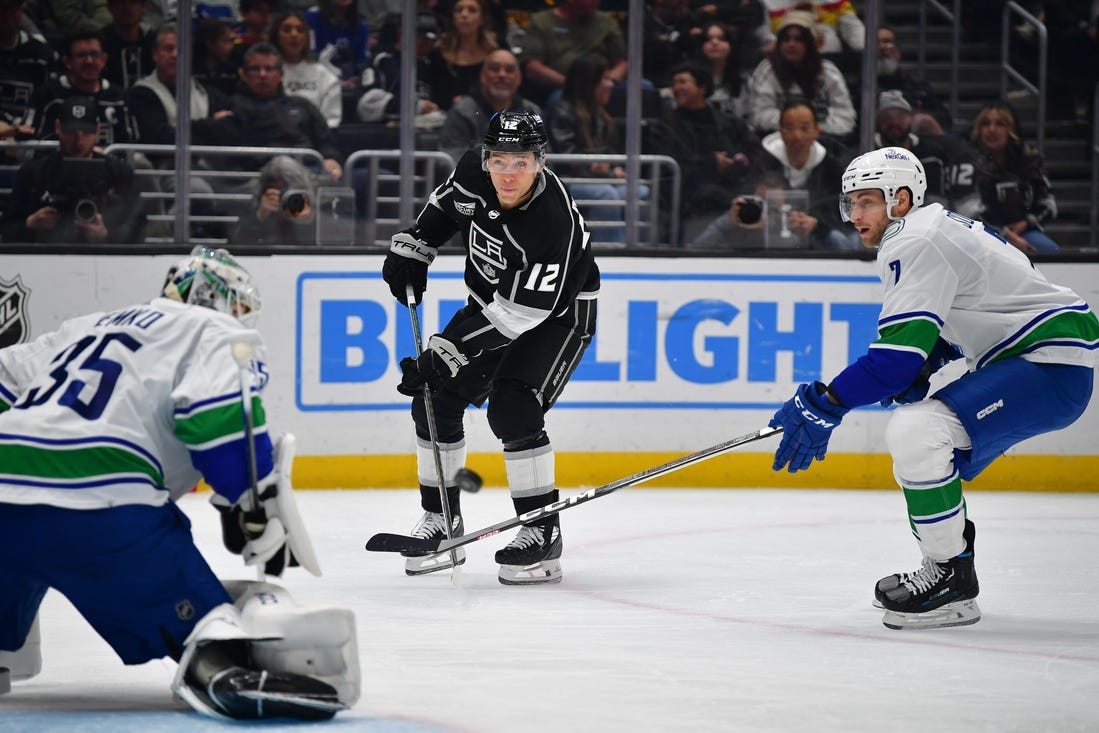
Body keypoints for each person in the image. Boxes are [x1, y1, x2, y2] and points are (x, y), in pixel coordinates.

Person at [0, 247, 361, 718]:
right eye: (238, 306)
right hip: (102, 507)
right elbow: (215, 419)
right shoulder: (216, 331)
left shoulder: (86, 325)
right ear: (216, 296)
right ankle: (217, 666)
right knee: (211, 625)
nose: (241, 317)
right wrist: (251, 501)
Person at [767, 146, 1099, 630]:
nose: (855, 214)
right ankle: (949, 567)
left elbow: (894, 363)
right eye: (850, 203)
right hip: (1042, 357)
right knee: (924, 435)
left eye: (866, 202)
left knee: (919, 432)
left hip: (1049, 361)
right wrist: (932, 359)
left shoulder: (914, 239)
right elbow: (976, 307)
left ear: (900, 199)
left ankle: (950, 581)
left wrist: (826, 402)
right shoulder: (934, 227)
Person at [381, 110, 598, 585]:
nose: (507, 173)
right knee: (434, 399)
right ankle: (442, 521)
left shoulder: (551, 221)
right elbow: (445, 209)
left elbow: (520, 315)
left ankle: (541, 533)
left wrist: (447, 350)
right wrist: (416, 246)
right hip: (491, 303)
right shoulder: (473, 173)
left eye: (520, 161)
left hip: (555, 318)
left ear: (540, 161)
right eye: (498, 159)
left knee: (514, 407)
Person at [691, 97, 852, 250]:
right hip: (762, 233)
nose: (797, 136)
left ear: (816, 131)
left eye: (804, 128)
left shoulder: (831, 167)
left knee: (838, 238)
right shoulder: (763, 161)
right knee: (725, 221)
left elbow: (842, 212)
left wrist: (816, 224)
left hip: (814, 238)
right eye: (790, 128)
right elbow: (745, 193)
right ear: (780, 131)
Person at [0, 94, 145, 243]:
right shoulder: (33, 173)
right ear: (58, 128)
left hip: (101, 261)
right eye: (71, 132)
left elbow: (139, 230)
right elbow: (6, 230)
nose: (78, 141)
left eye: (86, 133)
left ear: (97, 130)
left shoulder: (119, 173)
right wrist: (30, 224)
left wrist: (106, 236)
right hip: (45, 256)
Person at [545, 52, 648, 244]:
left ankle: (639, 248)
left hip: (596, 178)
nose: (611, 84)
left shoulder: (601, 116)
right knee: (605, 195)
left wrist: (613, 169)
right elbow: (567, 159)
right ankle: (613, 253)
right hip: (566, 180)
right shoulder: (561, 110)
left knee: (639, 191)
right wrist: (604, 171)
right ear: (588, 82)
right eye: (605, 79)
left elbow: (609, 153)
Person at [663, 62, 760, 244]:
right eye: (674, 83)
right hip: (690, 196)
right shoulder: (667, 125)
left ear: (702, 88)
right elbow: (672, 164)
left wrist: (739, 160)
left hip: (730, 188)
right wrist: (710, 163)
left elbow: (752, 151)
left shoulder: (729, 122)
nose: (676, 88)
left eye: (683, 82)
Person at [968, 101, 1060, 254]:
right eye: (985, 124)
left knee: (1048, 250)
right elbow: (969, 210)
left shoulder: (1030, 159)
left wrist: (1027, 222)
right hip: (980, 233)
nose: (991, 130)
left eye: (1000, 124)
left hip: (1023, 231)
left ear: (1011, 129)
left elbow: (1049, 205)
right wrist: (1005, 235)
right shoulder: (969, 161)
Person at [745, 10, 855, 138]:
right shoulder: (767, 70)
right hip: (778, 138)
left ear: (810, 43)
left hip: (824, 138)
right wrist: (795, 127)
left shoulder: (828, 72)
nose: (791, 44)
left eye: (799, 39)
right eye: (786, 39)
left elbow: (846, 117)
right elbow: (759, 116)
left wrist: (816, 128)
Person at [873, 89, 979, 217]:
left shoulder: (932, 155)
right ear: (877, 119)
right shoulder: (864, 152)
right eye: (887, 117)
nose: (894, 122)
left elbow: (936, 202)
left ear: (912, 117)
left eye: (901, 116)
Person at [28, 29, 136, 147]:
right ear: (67, 61)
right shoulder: (48, 95)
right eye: (81, 55)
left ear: (103, 60)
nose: (89, 61)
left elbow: (130, 145)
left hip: (109, 164)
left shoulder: (118, 97)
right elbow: (29, 143)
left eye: (94, 55)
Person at [436, 47, 540, 163]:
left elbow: (543, 161)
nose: (502, 75)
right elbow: (452, 161)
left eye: (509, 70)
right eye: (494, 69)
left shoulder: (532, 113)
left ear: (519, 78)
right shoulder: (461, 112)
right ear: (482, 76)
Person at [518, 0, 627, 107]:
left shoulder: (607, 23)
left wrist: (609, 82)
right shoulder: (541, 22)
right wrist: (571, 84)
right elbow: (533, 67)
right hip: (560, 86)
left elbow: (622, 63)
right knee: (559, 99)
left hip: (603, 84)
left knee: (641, 87)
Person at [271, 8, 342, 127]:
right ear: (276, 35)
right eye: (287, 29)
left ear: (307, 37)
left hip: (312, 141)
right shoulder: (264, 72)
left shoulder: (325, 76)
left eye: (300, 30)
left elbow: (331, 122)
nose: (294, 34)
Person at [874, 25, 951, 134]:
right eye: (876, 43)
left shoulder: (917, 86)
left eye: (887, 42)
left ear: (898, 51)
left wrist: (914, 117)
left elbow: (945, 119)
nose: (882, 47)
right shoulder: (859, 89)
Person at [423, 0, 499, 111]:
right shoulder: (438, 54)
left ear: (482, 18)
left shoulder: (496, 52)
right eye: (459, 10)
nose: (464, 15)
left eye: (472, 10)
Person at [306, 0, 371, 89]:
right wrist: (334, 82)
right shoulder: (312, 18)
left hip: (349, 86)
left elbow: (361, 62)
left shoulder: (360, 26)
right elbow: (310, 57)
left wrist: (357, 78)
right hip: (317, 82)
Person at [99, 0, 156, 89]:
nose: (127, 7)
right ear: (110, 8)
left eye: (133, 2)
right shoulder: (100, 44)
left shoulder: (154, 42)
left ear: (143, 6)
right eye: (120, 2)